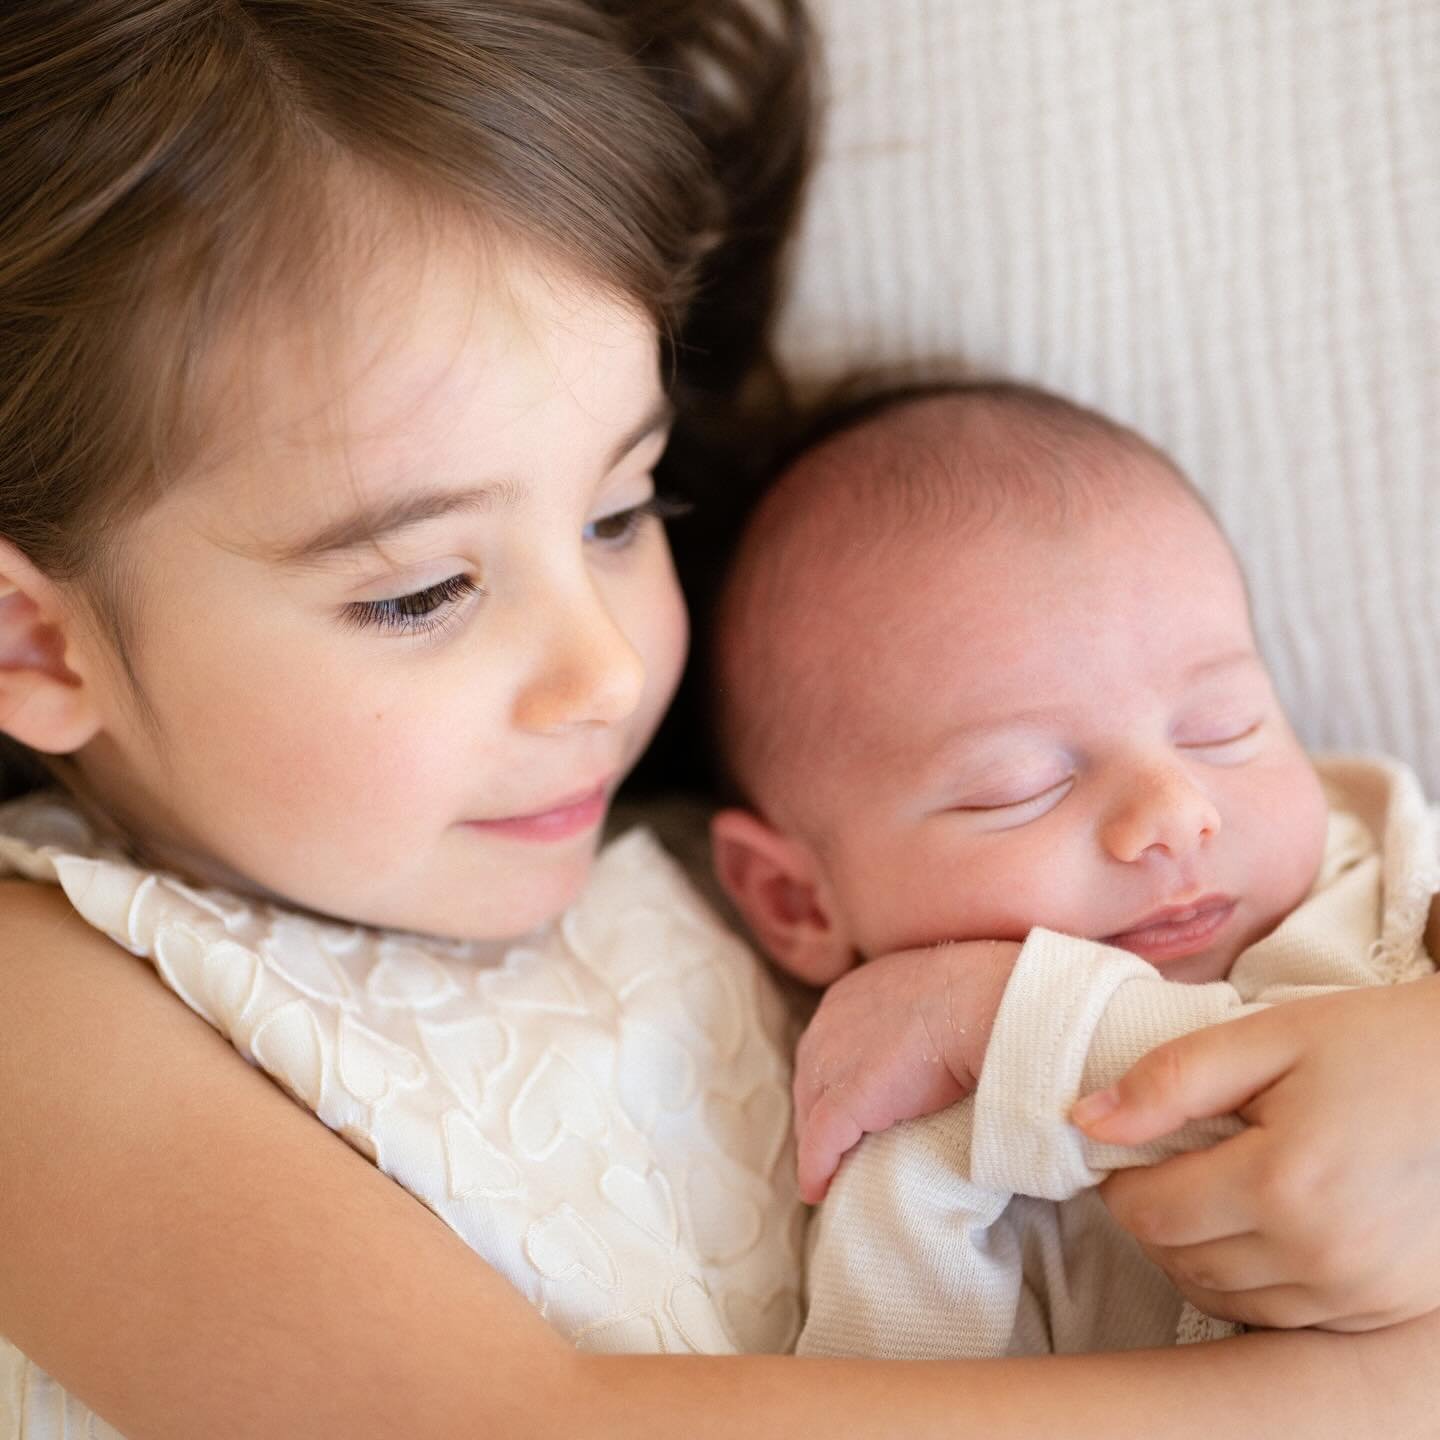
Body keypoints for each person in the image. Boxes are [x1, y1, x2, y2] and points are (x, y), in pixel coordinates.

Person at [2, 6, 1440, 1437]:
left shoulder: (746, 842)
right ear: (33, 639)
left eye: (624, 511)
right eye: (423, 593)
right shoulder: (38, 1005)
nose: (610, 672)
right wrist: (1382, 1393)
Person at [708, 382, 1440, 1357]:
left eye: (1224, 726)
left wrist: (1012, 1018)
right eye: (1019, 787)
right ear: (796, 898)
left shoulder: (1403, 871)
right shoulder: (921, 1175)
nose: (1175, 813)